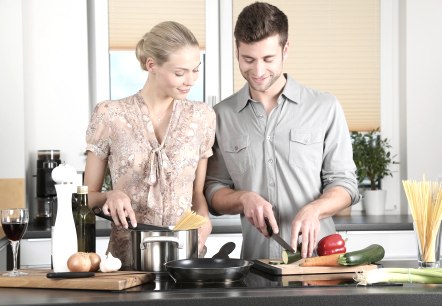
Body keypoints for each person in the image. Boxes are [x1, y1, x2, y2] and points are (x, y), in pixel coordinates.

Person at [204, 2, 360, 260]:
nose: (258, 71)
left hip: (320, 264)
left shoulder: (324, 107)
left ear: (285, 50)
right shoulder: (222, 115)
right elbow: (213, 190)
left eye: (268, 59)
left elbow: (345, 184)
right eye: (248, 59)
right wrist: (244, 198)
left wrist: (315, 210)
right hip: (256, 268)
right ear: (237, 51)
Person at [84, 21, 215, 268]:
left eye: (196, 70)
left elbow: (197, 194)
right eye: (180, 73)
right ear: (151, 65)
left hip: (184, 260)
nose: (190, 80)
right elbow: (84, 200)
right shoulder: (110, 115)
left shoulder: (203, 117)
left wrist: (204, 220)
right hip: (125, 263)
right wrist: (109, 195)